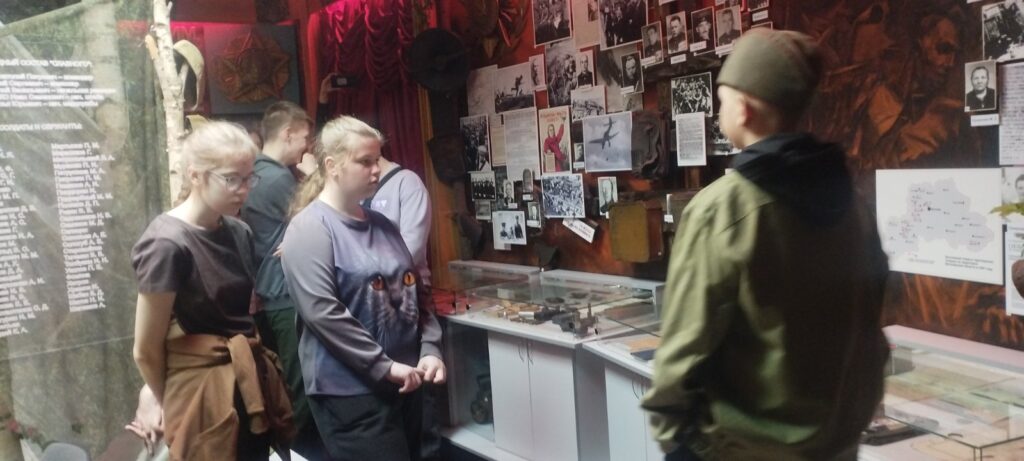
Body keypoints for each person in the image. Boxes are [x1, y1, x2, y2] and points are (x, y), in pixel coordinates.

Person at [641, 29, 890, 461]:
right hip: (835, 447)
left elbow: (684, 346)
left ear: (743, 108)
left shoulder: (721, 209)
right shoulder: (854, 204)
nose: (720, 109)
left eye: (721, 100)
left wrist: (674, 438)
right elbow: (871, 322)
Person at [280, 116, 445, 461]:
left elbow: (414, 289)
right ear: (332, 166)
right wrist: (383, 366)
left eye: (377, 159)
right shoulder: (310, 229)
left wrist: (430, 348)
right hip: (351, 393)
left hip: (409, 378)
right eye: (365, 161)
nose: (376, 170)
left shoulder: (384, 225)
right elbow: (323, 315)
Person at [131, 121, 294, 460]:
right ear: (195, 175)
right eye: (232, 179)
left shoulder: (239, 231)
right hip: (200, 392)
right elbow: (146, 349)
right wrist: (165, 398)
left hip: (247, 381)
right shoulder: (166, 243)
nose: (244, 190)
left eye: (249, 178)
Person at [240, 101, 326, 460]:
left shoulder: (260, 173)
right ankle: (294, 451)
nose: (307, 146)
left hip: (273, 293)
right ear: (287, 134)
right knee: (299, 382)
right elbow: (324, 214)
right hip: (286, 294)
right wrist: (315, 174)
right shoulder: (277, 179)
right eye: (305, 138)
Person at [363, 150, 441, 461]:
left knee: (420, 408)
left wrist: (363, 268)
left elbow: (410, 251)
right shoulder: (352, 197)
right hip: (374, 305)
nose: (369, 172)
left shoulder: (407, 184)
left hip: (409, 299)